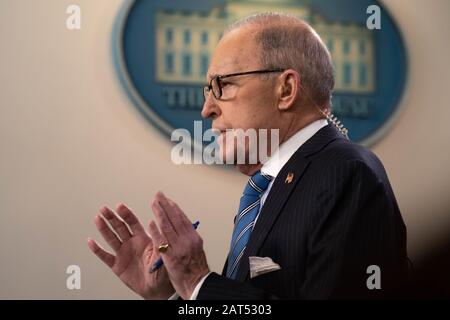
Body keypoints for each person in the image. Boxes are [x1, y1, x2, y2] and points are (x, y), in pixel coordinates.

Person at [87, 13, 408, 299]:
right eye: (208, 90)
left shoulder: (348, 175)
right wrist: (176, 292)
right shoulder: (268, 187)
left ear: (286, 89)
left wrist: (199, 284)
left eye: (222, 85)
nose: (207, 108)